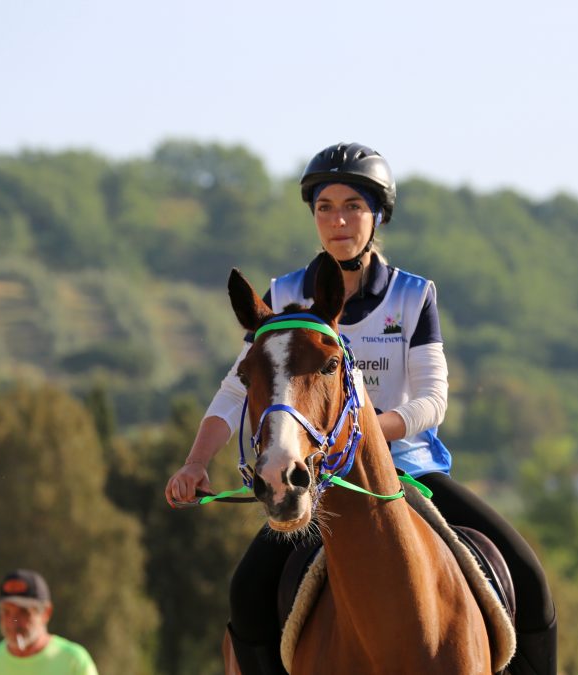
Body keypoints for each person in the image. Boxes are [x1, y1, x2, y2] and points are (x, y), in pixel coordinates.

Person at [165, 142, 556, 675]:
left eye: (353, 205)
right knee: (248, 596)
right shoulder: (283, 295)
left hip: (406, 469)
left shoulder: (412, 296)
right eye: (325, 207)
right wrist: (195, 462)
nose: (338, 219)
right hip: (316, 474)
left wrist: (367, 430)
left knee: (528, 581)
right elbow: (238, 389)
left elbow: (433, 401)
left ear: (378, 217)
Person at [0, 568, 99, 675]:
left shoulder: (74, 662)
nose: (13, 621)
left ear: (46, 613)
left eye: (23, 612)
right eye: (6, 611)